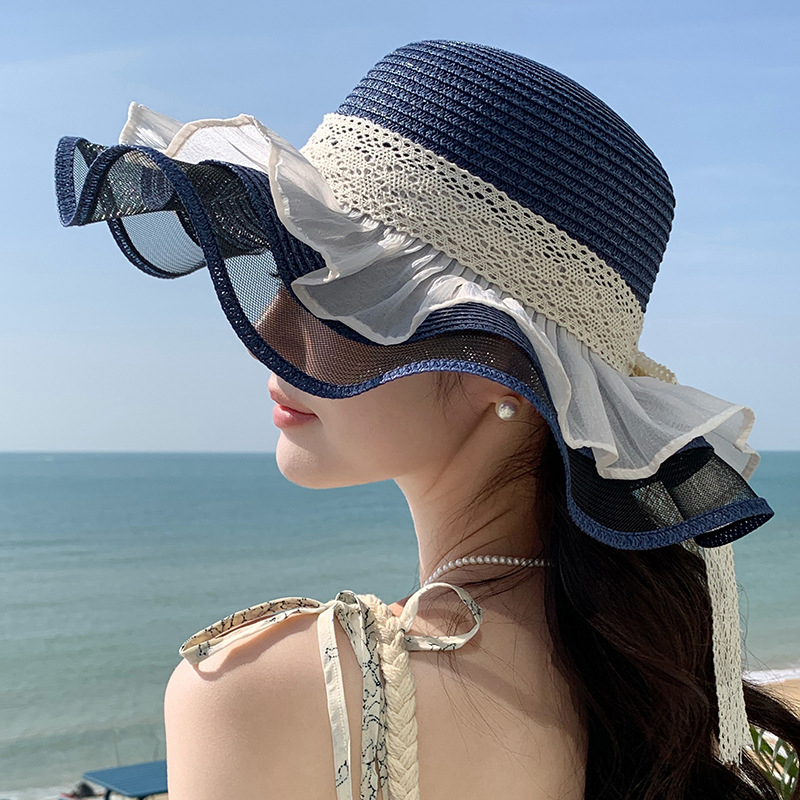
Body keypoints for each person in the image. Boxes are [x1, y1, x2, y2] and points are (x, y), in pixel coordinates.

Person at [56, 39, 800, 800]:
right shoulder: (630, 675)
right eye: (290, 276)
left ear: (500, 367)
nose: (272, 331)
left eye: (344, 297)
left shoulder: (257, 692)